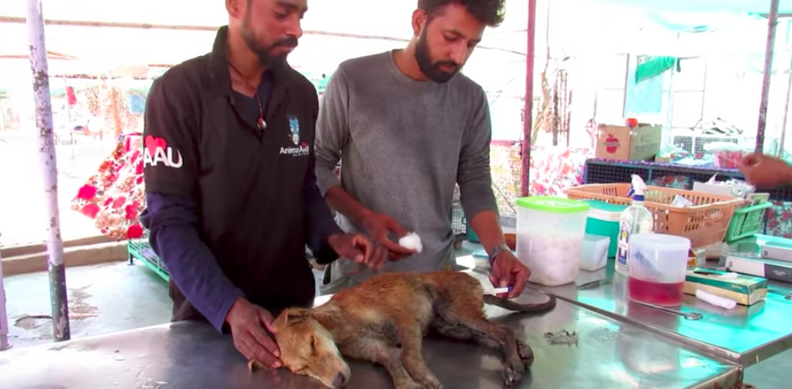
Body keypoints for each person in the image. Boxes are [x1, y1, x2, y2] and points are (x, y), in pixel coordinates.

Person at [139, 0, 385, 371]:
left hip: (292, 315)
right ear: (235, 5)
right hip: (209, 319)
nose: (296, 30)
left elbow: (302, 187)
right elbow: (168, 221)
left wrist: (332, 237)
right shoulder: (178, 93)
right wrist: (229, 306)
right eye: (282, 13)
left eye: (300, 16)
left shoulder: (300, 94)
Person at [314, 0, 531, 298]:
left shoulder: (470, 100)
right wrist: (364, 218)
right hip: (359, 282)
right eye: (451, 38)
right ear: (418, 22)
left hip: (437, 282)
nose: (460, 55)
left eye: (472, 44)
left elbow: (476, 183)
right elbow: (318, 165)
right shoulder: (353, 80)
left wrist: (498, 250)